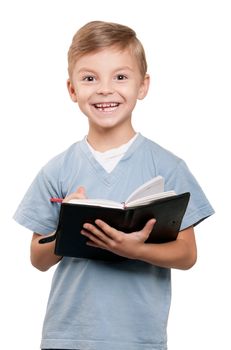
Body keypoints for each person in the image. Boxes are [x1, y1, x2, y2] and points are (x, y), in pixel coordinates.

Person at [14, 21, 214, 350]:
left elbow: (187, 254)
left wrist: (135, 250)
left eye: (120, 77)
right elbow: (38, 259)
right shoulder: (57, 170)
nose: (105, 89)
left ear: (143, 85)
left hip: (138, 339)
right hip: (67, 337)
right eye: (90, 78)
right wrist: (69, 224)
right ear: (72, 89)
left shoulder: (168, 167)